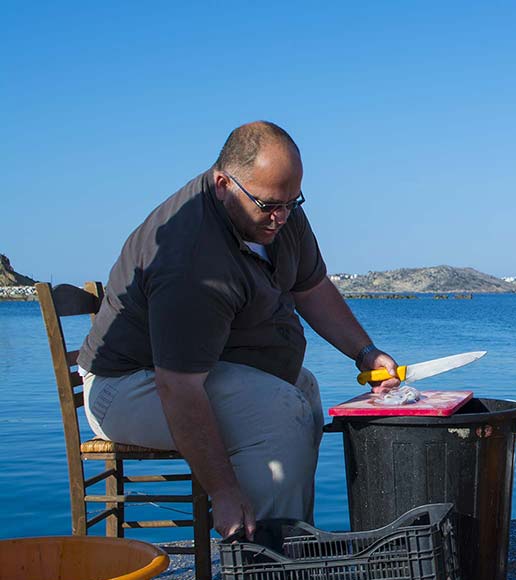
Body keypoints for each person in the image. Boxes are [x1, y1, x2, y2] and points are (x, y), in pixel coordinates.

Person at [77, 121, 400, 538]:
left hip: (195, 373)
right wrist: (224, 491)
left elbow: (312, 287)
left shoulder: (278, 210)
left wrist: (365, 352)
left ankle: (296, 540)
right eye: (269, 205)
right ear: (223, 184)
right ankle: (266, 563)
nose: (280, 217)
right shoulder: (191, 258)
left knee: (304, 391)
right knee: (277, 412)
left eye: (291, 202)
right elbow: (177, 387)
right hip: (126, 388)